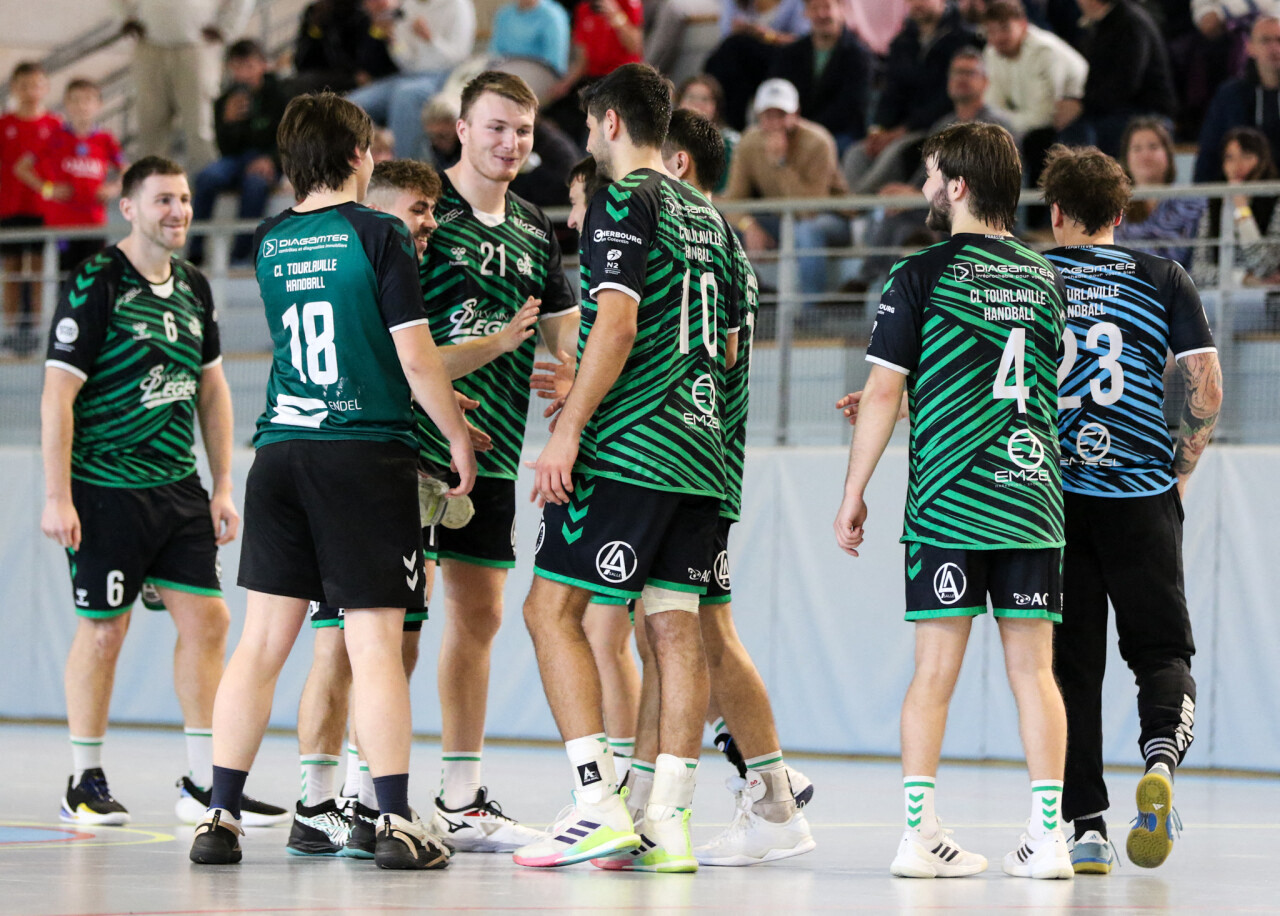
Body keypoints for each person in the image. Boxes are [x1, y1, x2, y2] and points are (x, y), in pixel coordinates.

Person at [186, 92, 475, 869]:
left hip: (280, 453)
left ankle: (219, 816)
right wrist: (453, 436)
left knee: (259, 647)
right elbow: (415, 358)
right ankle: (393, 822)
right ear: (359, 157)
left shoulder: (269, 237)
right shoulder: (378, 233)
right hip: (361, 452)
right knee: (375, 644)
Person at [833, 121, 1074, 880]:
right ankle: (1049, 839)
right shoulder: (1045, 278)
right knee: (1035, 672)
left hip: (949, 502)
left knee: (933, 670)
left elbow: (882, 390)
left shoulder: (921, 272)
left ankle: (917, 834)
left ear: (959, 186)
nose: (928, 188)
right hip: (1031, 496)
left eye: (934, 174)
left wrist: (853, 493)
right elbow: (1015, 389)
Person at [513, 62, 736, 871]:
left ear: (608, 124)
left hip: (632, 448)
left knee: (550, 612)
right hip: (703, 454)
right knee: (673, 628)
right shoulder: (714, 221)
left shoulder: (622, 198)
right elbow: (735, 352)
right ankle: (668, 822)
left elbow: (615, 323)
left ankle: (595, 802)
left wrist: (569, 428)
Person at [288, 156, 528, 859]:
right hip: (351, 469)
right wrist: (489, 356)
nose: (430, 222)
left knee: (393, 639)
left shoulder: (361, 254)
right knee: (339, 640)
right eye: (420, 209)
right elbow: (407, 363)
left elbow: (402, 367)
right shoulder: (362, 254)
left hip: (383, 468)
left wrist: (445, 408)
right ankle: (318, 802)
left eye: (432, 210)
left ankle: (361, 802)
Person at [40, 155, 286, 829]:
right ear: (130, 208)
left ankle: (204, 782)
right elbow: (59, 393)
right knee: (103, 631)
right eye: (163, 201)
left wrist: (224, 484)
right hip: (104, 485)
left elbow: (212, 389)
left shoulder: (194, 285)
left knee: (210, 621)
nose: (178, 211)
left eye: (183, 199)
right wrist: (57, 495)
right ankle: (83, 781)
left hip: (178, 487)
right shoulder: (98, 282)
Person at [1039, 144, 1222, 872]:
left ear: (1055, 213)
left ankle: (1086, 826)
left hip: (1051, 498)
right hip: (1140, 491)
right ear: (1121, 214)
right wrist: (1175, 476)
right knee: (1161, 653)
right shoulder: (1162, 276)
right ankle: (1160, 767)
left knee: (1068, 669)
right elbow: (1204, 390)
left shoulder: (1033, 275)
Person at [412, 71, 579, 853]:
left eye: (523, 131)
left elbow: (567, 327)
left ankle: (460, 793)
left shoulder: (532, 224)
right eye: (496, 128)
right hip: (408, 448)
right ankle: (354, 789)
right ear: (461, 128)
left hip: (497, 457)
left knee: (477, 614)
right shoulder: (419, 212)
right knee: (386, 619)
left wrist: (572, 375)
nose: (511, 144)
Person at [654, 108, 816, 867]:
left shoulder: (690, 244)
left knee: (674, 634)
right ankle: (770, 785)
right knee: (698, 631)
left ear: (678, 165)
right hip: (710, 461)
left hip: (676, 460)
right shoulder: (729, 248)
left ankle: (655, 803)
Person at [550, 155, 642, 781]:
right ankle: (634, 791)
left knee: (598, 632)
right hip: (669, 459)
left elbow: (621, 338)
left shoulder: (622, 255)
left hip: (627, 460)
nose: (576, 218)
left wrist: (574, 418)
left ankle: (614, 791)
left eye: (581, 202)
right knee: (640, 633)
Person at [723, 78, 848, 308]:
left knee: (806, 231)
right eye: (768, 115)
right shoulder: (749, 142)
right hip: (781, 219)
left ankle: (812, 319)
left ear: (796, 113)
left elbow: (810, 210)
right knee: (723, 230)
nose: (775, 123)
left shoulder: (818, 141)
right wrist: (748, 224)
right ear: (758, 117)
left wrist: (780, 163)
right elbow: (733, 200)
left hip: (831, 217)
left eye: (781, 114)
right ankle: (734, 316)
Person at [845, 0, 981, 195]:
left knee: (895, 154)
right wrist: (879, 129)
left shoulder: (964, 38)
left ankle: (854, 203)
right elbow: (891, 92)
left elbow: (947, 100)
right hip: (900, 129)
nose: (917, 3)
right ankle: (852, 211)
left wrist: (902, 130)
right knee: (856, 154)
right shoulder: (902, 42)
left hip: (937, 128)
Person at [118, 0, 255, 172]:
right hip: (149, 44)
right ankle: (151, 189)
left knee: (199, 125)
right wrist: (125, 17)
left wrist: (226, 28)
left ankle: (204, 188)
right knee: (150, 125)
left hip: (196, 45)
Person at [189, 39, 291, 266]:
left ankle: (242, 254)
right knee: (206, 178)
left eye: (249, 66)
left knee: (255, 184)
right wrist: (228, 121)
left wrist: (271, 160)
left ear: (263, 65)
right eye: (237, 67)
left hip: (268, 160)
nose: (243, 73)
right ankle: (195, 250)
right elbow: (224, 148)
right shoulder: (225, 101)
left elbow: (291, 138)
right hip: (235, 159)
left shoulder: (280, 96)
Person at [17, 78, 124, 276]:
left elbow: (127, 170)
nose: (81, 106)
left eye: (87, 100)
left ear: (99, 105)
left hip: (94, 224)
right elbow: (22, 168)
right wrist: (48, 189)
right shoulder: (54, 137)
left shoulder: (105, 139)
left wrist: (113, 188)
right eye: (75, 100)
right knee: (66, 279)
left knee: (95, 280)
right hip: (64, 225)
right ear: (66, 104)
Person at [346, 0, 477, 160]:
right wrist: (392, 41)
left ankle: (408, 174)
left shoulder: (458, 5)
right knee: (352, 104)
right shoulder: (408, 5)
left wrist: (430, 40)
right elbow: (405, 59)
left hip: (446, 74)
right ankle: (360, 169)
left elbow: (458, 57)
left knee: (406, 96)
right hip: (408, 75)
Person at [981, 0, 1088, 182]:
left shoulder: (1045, 51)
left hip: (1075, 121)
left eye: (1005, 29)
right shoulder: (991, 52)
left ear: (1023, 25)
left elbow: (1043, 116)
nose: (998, 38)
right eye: (991, 32)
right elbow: (991, 106)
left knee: (1035, 144)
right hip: (1024, 124)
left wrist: (1003, 126)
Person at [1056, 0, 1178, 157]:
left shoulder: (1131, 23)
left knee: (1081, 133)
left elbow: (1125, 84)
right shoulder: (1102, 24)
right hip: (1112, 110)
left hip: (1146, 111)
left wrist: (1082, 106)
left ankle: (1083, 179)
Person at [1, 61, 61, 356]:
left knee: (37, 271)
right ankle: (11, 331)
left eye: (36, 84)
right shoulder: (4, 126)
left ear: (46, 88)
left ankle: (35, 330)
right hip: (8, 208)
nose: (30, 91)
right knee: (11, 271)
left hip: (41, 209)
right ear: (14, 88)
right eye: (23, 85)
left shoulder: (54, 127)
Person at [767, 0, 873, 154]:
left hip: (839, 133)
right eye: (815, 8)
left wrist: (804, 130)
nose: (821, 14)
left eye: (827, 7)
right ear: (805, 12)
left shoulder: (860, 56)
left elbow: (850, 107)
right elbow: (776, 90)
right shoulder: (790, 53)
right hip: (790, 129)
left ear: (841, 10)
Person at [542, 0, 644, 144]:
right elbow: (582, 59)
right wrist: (563, 85)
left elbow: (635, 46)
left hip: (622, 79)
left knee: (599, 121)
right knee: (558, 115)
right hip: (592, 80)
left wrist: (617, 16)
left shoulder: (628, 4)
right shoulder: (584, 8)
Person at [1191, 126, 1280, 286]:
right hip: (1223, 295)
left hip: (1265, 298)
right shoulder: (1215, 202)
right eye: (1230, 158)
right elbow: (1198, 270)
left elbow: (1265, 266)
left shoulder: (1276, 200)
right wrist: (1243, 279)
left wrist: (1242, 211)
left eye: (1246, 156)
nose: (1236, 165)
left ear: (1262, 159)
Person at [703, 0, 810, 131]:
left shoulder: (794, 3)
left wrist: (767, 35)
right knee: (729, 56)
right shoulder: (731, 3)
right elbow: (727, 34)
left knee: (735, 49)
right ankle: (727, 124)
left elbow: (804, 41)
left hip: (781, 56)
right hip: (742, 61)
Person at [1195, 17, 1280, 182]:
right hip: (1238, 192)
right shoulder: (1230, 95)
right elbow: (1210, 151)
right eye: (1265, 40)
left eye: (1279, 40)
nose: (1274, 48)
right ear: (1250, 47)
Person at [1113, 118, 1204, 270]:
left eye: (1153, 147)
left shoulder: (1194, 203)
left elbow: (1200, 265)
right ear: (1127, 158)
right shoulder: (1113, 205)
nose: (1145, 155)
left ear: (1167, 153)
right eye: (1137, 148)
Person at [675, 75, 740, 193]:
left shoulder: (730, 142)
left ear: (716, 106)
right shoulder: (663, 141)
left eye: (705, 99)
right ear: (679, 102)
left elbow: (733, 194)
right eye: (691, 98)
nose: (697, 105)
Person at [488, 0, 572, 77]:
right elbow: (495, 52)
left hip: (541, 76)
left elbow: (554, 64)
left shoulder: (553, 15)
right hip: (507, 73)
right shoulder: (504, 14)